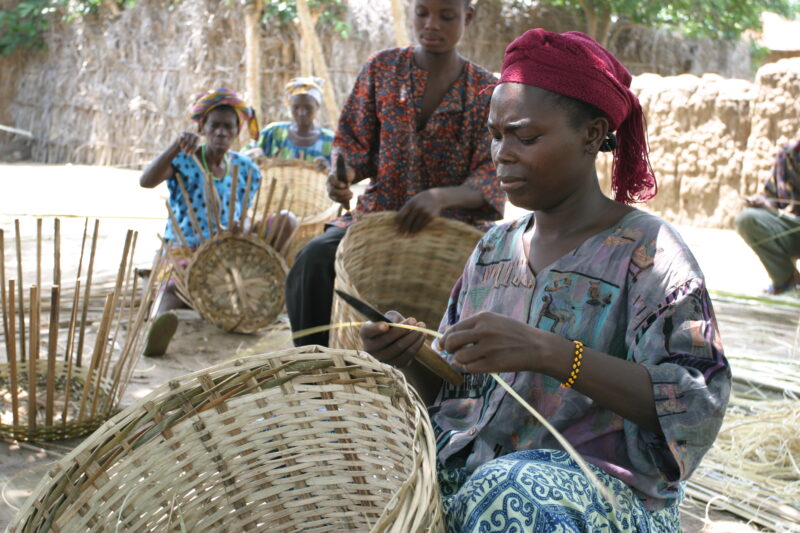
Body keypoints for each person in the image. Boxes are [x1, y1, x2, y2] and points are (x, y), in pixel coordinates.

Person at [360, 29, 731, 532]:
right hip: (477, 472)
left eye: (525, 136)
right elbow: (457, 392)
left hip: (603, 494)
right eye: (495, 135)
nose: (502, 154)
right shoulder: (494, 249)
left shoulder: (648, 254)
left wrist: (550, 352)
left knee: (509, 493)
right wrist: (411, 357)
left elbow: (696, 403)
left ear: (591, 133)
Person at [286, 0, 506, 347]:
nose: (431, 24)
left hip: (455, 227)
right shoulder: (382, 69)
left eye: (446, 16)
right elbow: (353, 146)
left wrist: (440, 197)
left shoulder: (485, 90)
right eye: (422, 13)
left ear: (468, 16)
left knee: (498, 282)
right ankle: (311, 364)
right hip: (381, 217)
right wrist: (340, 177)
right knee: (313, 258)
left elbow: (492, 172)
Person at [139, 88, 291, 356]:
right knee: (174, 286)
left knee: (286, 220)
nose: (221, 132)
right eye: (215, 126)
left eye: (228, 127)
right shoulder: (185, 160)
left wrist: (242, 228)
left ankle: (264, 283)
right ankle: (157, 325)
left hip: (230, 248)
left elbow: (244, 216)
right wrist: (176, 145)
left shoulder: (246, 169)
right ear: (202, 128)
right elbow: (146, 181)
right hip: (187, 247)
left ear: (236, 132)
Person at [734, 138, 800, 295]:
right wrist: (763, 201)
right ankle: (787, 279)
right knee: (747, 219)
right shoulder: (788, 154)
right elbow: (772, 196)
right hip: (792, 229)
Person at [244, 77, 335, 170]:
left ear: (317, 107)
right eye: (296, 107)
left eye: (308, 107)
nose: (301, 113)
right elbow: (243, 157)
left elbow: (342, 174)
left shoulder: (330, 140)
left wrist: (328, 168)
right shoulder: (274, 133)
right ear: (290, 106)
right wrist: (255, 153)